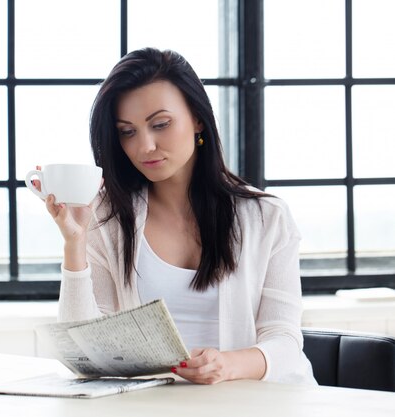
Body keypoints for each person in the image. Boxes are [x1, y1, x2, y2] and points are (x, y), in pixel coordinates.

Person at [39, 47, 316, 386]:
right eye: (128, 131)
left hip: (259, 403)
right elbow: (85, 352)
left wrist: (226, 365)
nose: (145, 146)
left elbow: (285, 341)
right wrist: (74, 242)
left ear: (197, 118)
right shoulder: (106, 219)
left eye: (160, 124)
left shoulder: (267, 217)